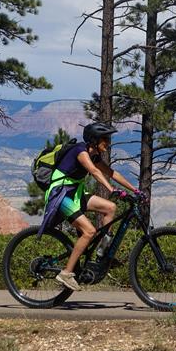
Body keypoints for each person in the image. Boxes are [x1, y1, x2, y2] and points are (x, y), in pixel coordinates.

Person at [40, 122, 139, 291]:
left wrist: (136, 190)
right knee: (89, 231)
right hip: (61, 194)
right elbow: (94, 171)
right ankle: (66, 273)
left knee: (110, 208)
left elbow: (112, 173)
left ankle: (102, 253)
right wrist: (112, 189)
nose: (108, 142)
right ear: (94, 140)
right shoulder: (80, 151)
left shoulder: (94, 155)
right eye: (105, 139)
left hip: (75, 194)